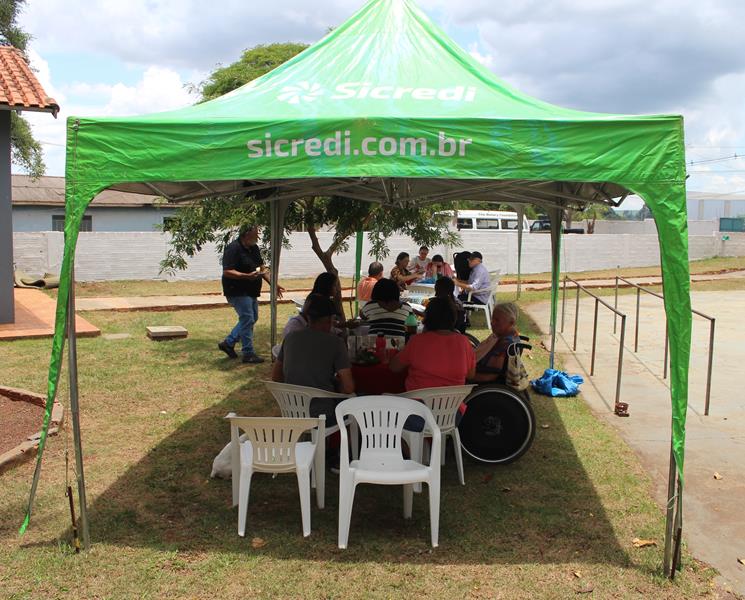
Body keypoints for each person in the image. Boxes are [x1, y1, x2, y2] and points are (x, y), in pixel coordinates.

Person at [272, 295, 355, 435]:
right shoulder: (336, 343)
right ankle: (343, 449)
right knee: (355, 399)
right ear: (330, 320)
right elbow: (348, 387)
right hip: (323, 417)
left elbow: (276, 377)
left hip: (291, 412)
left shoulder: (291, 338)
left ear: (308, 318)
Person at [218, 224, 284, 363]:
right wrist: (246, 276)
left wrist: (274, 284)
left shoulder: (254, 248)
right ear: (246, 234)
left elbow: (261, 268)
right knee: (248, 318)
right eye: (255, 234)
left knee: (252, 318)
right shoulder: (233, 248)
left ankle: (228, 343)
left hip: (251, 290)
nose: (258, 236)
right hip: (237, 290)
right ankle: (248, 353)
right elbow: (227, 271)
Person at [390, 297, 476, 391]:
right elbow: (470, 375)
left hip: (417, 404)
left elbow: (394, 367)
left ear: (427, 317)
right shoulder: (464, 342)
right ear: (453, 318)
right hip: (452, 404)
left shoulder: (417, 341)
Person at [471, 302, 521, 383]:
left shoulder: (505, 343)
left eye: (497, 320)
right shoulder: (501, 336)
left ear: (511, 322)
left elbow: (490, 375)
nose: (492, 322)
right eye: (492, 319)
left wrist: (466, 375)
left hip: (481, 381)